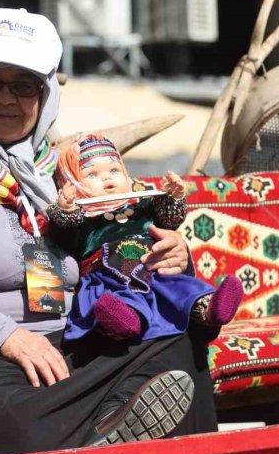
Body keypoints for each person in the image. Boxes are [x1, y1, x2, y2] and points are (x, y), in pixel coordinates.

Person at [0, 8, 218, 454]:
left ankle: (113, 438)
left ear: (46, 96)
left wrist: (168, 253)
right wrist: (6, 336)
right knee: (16, 420)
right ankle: (104, 434)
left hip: (62, 333)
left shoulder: (53, 172)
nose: (4, 98)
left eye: (23, 86)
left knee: (178, 348)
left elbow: (110, 243)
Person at [47, 133, 243, 342]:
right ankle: (124, 324)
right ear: (72, 184)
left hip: (154, 270)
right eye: (92, 175)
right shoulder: (83, 221)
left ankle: (210, 310)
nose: (107, 178)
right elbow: (62, 238)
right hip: (110, 277)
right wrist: (66, 210)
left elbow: (169, 221)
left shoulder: (140, 207)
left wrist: (172, 196)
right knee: (115, 299)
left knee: (181, 287)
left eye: (114, 170)